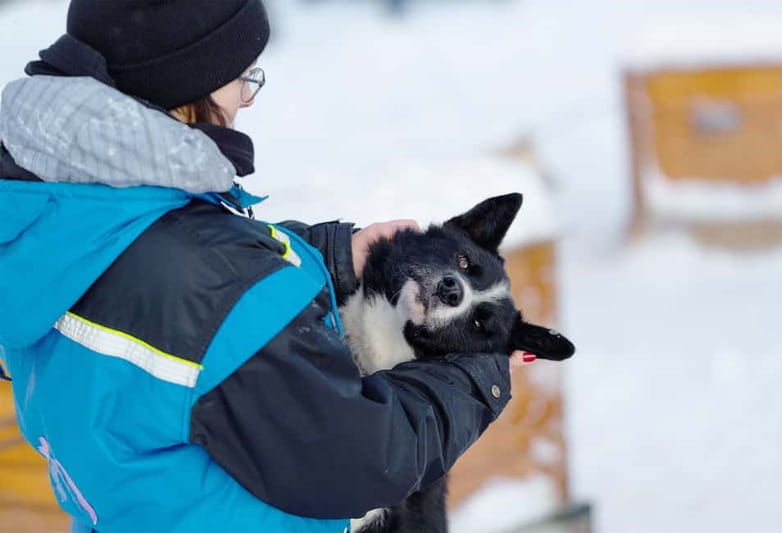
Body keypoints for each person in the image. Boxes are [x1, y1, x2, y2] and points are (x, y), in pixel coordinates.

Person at [0, 1, 521, 531]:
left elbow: (147, 279)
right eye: (242, 77)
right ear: (184, 84)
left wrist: (327, 258)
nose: (246, 99)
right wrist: (479, 365)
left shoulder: (46, 212)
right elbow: (363, 457)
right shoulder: (208, 287)